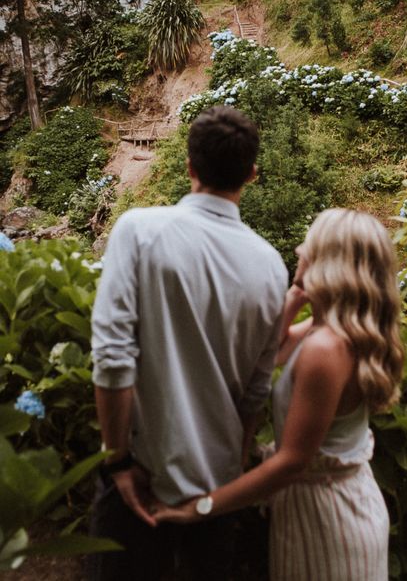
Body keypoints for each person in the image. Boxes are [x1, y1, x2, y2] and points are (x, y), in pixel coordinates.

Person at [89, 105, 288, 581]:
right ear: (253, 174)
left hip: (138, 474)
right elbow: (254, 396)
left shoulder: (139, 230)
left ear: (189, 166)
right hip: (216, 491)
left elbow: (114, 359)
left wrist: (117, 462)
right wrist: (227, 477)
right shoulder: (271, 267)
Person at [154, 208, 405, 581]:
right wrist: (295, 296)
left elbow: (291, 461)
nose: (300, 249)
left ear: (329, 263)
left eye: (311, 244)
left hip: (329, 520)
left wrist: (202, 508)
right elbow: (271, 352)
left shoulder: (326, 349)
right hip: (325, 507)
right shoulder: (328, 331)